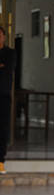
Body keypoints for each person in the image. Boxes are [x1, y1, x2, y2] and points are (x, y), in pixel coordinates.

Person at [0, 25, 16, 174]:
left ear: (4, 37)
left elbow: (7, 69)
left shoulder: (10, 53)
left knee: (2, 128)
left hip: (3, 95)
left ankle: (0, 161)